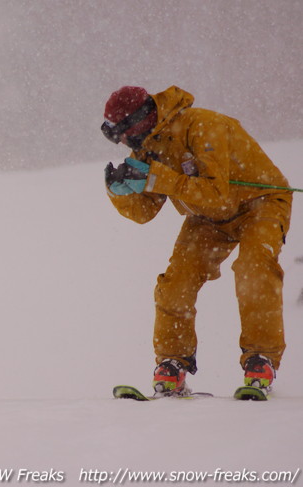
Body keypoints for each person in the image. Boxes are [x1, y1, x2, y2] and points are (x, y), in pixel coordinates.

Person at [101, 85, 293, 395]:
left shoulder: (203, 126)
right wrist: (119, 192)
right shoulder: (148, 146)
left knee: (254, 269)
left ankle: (261, 359)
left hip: (260, 203)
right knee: (176, 282)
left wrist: (156, 177)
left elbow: (220, 197)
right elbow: (144, 212)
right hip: (207, 217)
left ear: (140, 119)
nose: (122, 141)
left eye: (122, 132)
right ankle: (172, 364)